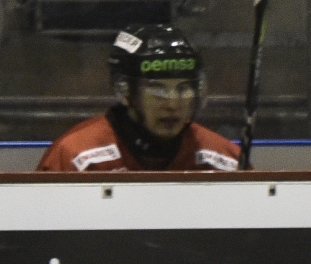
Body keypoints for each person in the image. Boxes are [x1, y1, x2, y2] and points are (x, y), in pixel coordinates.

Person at [37, 26, 240, 173]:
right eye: (157, 89)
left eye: (183, 88)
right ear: (125, 91)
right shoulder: (77, 157)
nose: (172, 104)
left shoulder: (225, 161)